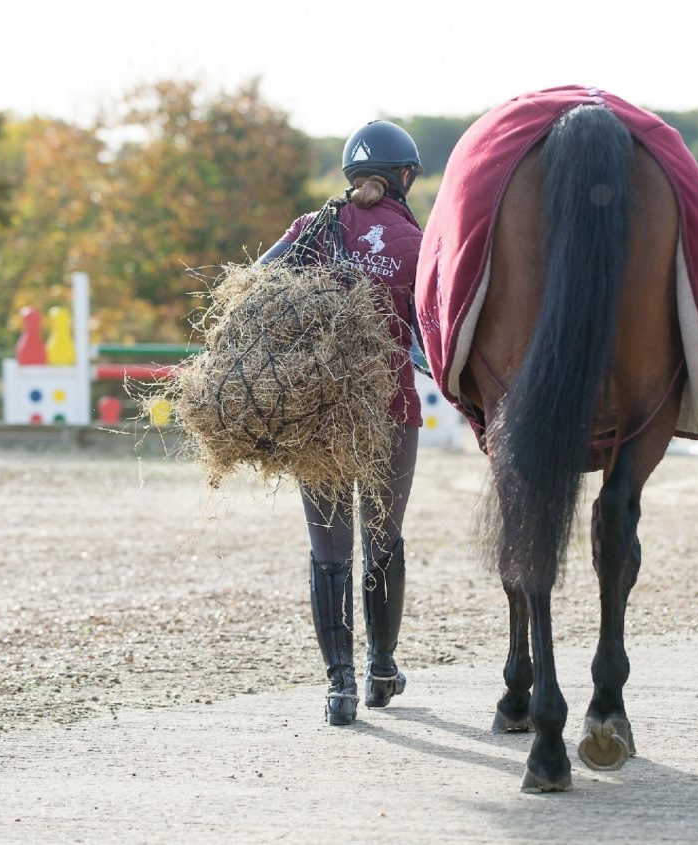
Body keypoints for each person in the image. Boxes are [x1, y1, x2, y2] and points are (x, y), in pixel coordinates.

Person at [258, 120, 424, 726]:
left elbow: (255, 289)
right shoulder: (416, 240)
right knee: (383, 540)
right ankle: (382, 669)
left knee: (328, 550)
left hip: (319, 413)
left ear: (351, 175)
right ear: (404, 176)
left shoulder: (314, 228)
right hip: (388, 411)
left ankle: (340, 689)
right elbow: (432, 331)